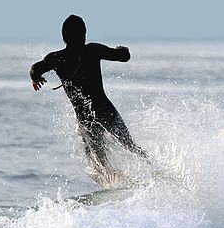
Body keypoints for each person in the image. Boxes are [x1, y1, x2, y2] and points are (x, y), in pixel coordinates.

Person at [30, 15, 146, 174]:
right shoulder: (92, 50)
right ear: (84, 34)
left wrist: (35, 79)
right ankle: (152, 169)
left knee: (99, 161)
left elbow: (35, 69)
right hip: (106, 111)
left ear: (64, 37)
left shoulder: (56, 58)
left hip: (86, 119)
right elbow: (124, 57)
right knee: (130, 146)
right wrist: (123, 49)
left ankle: (113, 183)